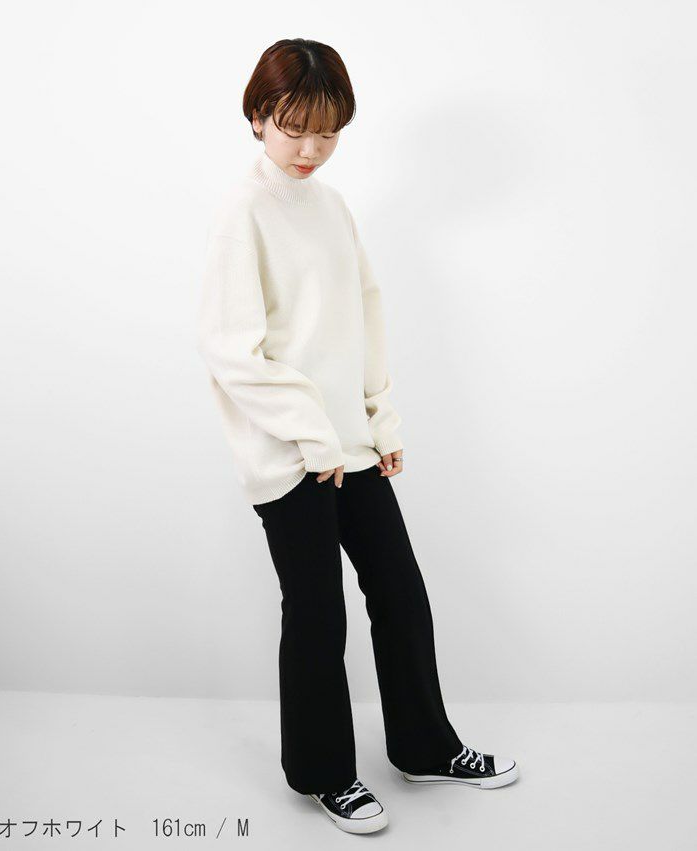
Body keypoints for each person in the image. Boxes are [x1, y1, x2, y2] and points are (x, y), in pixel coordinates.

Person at [197, 38, 519, 835]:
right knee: (317, 614)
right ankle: (323, 773)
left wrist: (378, 418)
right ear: (257, 117)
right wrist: (309, 434)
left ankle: (423, 746)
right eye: (293, 127)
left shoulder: (331, 205)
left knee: (400, 594)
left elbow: (361, 316)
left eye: (326, 131)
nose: (309, 147)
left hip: (350, 447)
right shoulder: (243, 212)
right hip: (289, 455)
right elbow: (230, 350)